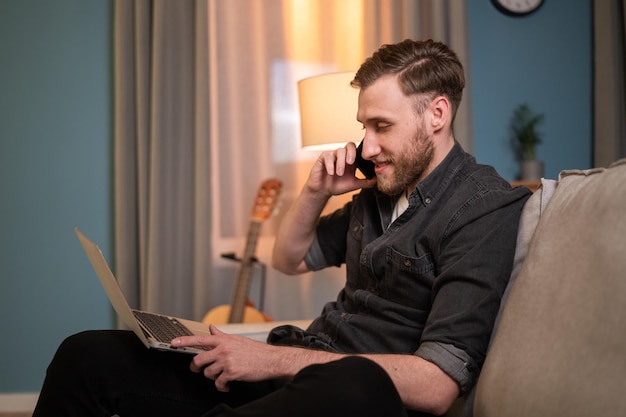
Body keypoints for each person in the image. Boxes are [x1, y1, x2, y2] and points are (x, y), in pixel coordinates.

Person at [33, 39, 531, 417]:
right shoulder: (378, 187)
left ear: (437, 113)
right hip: (299, 367)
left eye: (381, 126)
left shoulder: (483, 207)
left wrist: (267, 361)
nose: (367, 145)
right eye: (364, 127)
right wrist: (316, 190)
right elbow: (288, 259)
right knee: (86, 354)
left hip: (353, 395)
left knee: (357, 382)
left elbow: (438, 385)